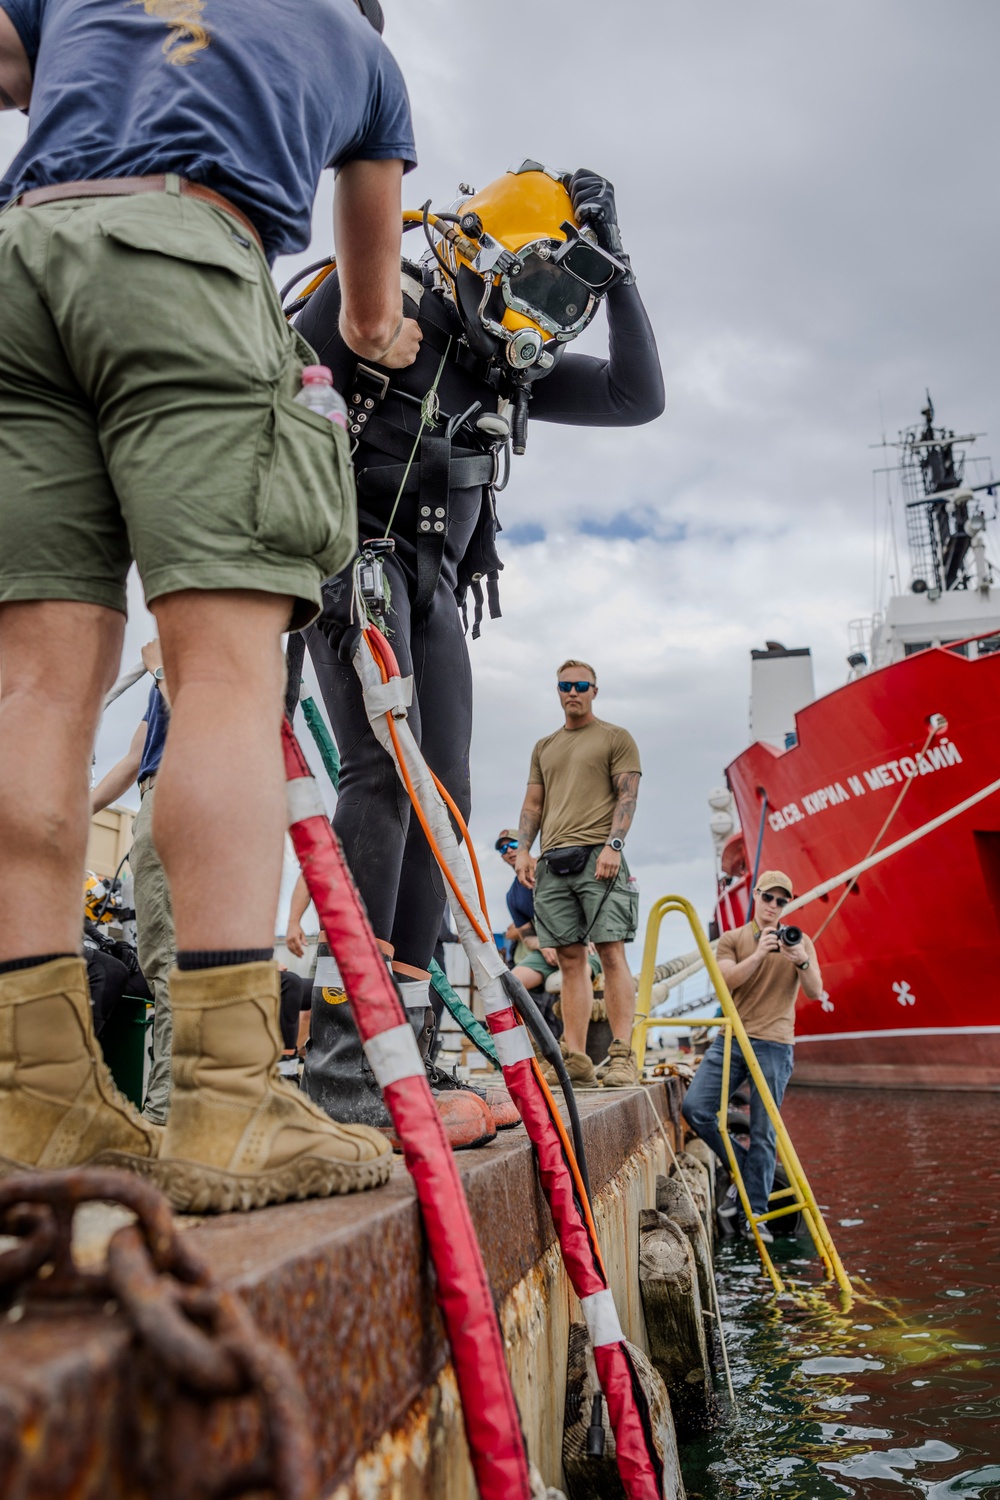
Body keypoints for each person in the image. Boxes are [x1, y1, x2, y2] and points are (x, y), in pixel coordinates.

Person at [0, 0, 421, 1210]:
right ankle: (231, 1104)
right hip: (186, 254)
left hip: (22, 262)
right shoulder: (364, 55)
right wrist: (378, 341)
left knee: (31, 687)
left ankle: (35, 1098)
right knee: (224, 683)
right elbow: (364, 307)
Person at [294, 163, 664, 1130]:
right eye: (530, 286)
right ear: (474, 256)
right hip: (350, 559)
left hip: (435, 588)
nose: (534, 320)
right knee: (381, 778)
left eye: (560, 301)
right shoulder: (386, 296)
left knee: (442, 799)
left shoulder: (513, 365)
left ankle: (407, 1051)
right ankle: (345, 1062)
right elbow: (269, 398)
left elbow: (638, 398)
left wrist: (615, 269)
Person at [515, 661, 642, 1089]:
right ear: (558, 691)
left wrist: (614, 846)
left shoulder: (615, 737)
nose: (573, 692)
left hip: (598, 857)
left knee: (610, 952)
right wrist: (523, 852)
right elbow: (533, 805)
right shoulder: (544, 746)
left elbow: (628, 795)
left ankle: (623, 1055)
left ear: (594, 690)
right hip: (553, 862)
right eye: (565, 686)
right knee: (571, 961)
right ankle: (577, 1057)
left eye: (580, 686)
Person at [681, 871, 824, 1241]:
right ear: (755, 896)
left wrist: (801, 959)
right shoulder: (732, 939)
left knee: (763, 1131)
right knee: (695, 1108)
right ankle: (747, 1175)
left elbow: (815, 991)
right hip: (732, 1039)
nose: (773, 906)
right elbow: (726, 980)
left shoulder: (800, 941)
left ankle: (755, 1214)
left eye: (781, 901)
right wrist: (761, 952)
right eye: (768, 898)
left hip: (775, 1044)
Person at [91, 639, 175, 1123]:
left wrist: (162, 667)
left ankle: (165, 1115)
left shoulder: (192, 647)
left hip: (181, 791)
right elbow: (134, 757)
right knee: (169, 963)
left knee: (172, 966)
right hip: (159, 789)